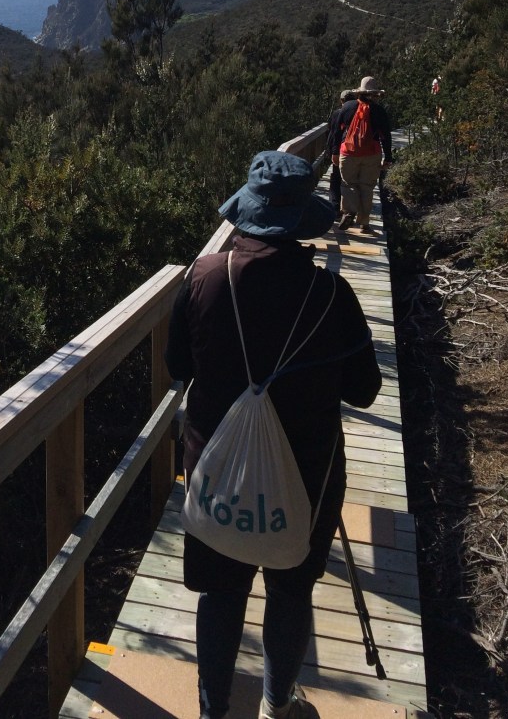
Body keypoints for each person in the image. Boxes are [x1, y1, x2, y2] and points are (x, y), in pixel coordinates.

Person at [166, 151, 382, 719]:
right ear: (301, 220)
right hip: (306, 477)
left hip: (216, 469)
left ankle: (214, 710)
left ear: (248, 212)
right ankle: (276, 706)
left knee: (220, 591)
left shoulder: (205, 278)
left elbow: (176, 365)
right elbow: (364, 391)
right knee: (290, 591)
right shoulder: (333, 297)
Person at [329, 76, 393, 234]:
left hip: (348, 153)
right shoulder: (379, 111)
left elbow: (337, 131)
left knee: (348, 183)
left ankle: (349, 212)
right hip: (372, 155)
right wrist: (388, 157)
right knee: (367, 187)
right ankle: (364, 224)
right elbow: (386, 136)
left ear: (360, 92)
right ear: (375, 94)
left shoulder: (347, 107)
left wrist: (335, 152)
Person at [325, 89, 357, 218]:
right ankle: (349, 209)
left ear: (341, 100)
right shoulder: (356, 113)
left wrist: (332, 150)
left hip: (338, 149)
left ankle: (334, 207)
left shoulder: (337, 113)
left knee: (336, 178)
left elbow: (332, 132)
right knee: (350, 180)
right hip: (352, 151)